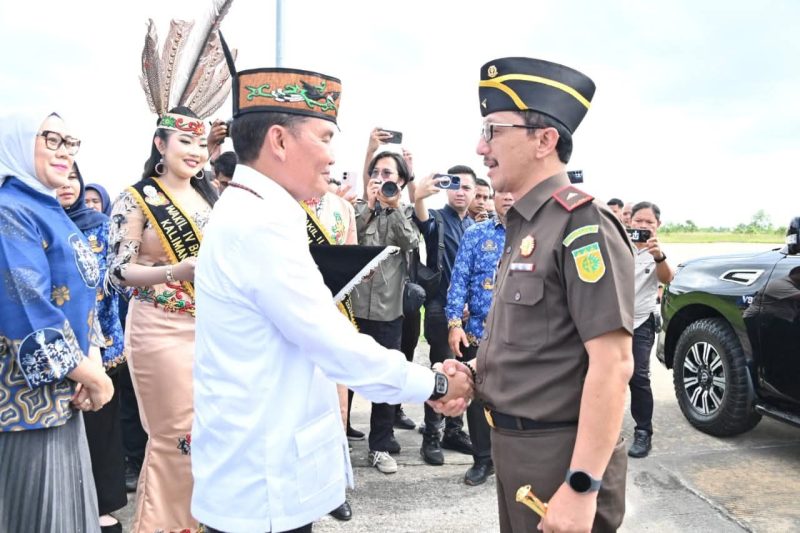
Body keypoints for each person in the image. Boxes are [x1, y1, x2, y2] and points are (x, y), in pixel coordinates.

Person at [191, 52, 473, 532]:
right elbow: (334, 344)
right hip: (262, 487)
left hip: (260, 468)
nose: (332, 156)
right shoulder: (258, 223)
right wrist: (437, 385)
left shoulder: (259, 210)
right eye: (323, 138)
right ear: (279, 140)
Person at [470, 57, 634, 532]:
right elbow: (534, 347)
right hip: (515, 449)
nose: (481, 147)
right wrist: (474, 374)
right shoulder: (524, 225)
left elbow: (614, 363)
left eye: (494, 130)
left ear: (544, 140)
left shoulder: (582, 224)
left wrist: (581, 487)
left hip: (559, 457)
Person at [0, 111, 114, 533]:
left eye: (71, 142)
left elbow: (82, 295)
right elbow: (26, 309)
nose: (64, 152)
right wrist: (95, 377)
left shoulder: (45, 207)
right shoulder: (11, 210)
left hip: (63, 394)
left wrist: (90, 364)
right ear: (18, 140)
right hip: (23, 405)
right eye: (51, 139)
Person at [108, 106, 217, 533]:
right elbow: (118, 272)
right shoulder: (136, 198)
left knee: (207, 432)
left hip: (210, 327)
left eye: (200, 143)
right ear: (160, 144)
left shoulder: (212, 198)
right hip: (159, 324)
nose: (195, 152)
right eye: (184, 141)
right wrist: (176, 271)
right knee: (175, 436)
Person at [57, 162, 127, 532]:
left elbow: (111, 280)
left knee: (101, 425)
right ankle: (68, 504)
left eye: (74, 177)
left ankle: (102, 506)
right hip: (56, 342)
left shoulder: (99, 225)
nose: (68, 185)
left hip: (102, 338)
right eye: (62, 177)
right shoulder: (40, 220)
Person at [352, 151, 420, 474]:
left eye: (389, 173)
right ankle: (340, 433)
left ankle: (379, 445)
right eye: (376, 172)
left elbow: (411, 242)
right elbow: (351, 240)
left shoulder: (404, 211)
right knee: (344, 374)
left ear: (401, 181)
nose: (382, 179)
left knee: (385, 377)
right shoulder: (356, 209)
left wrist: (392, 209)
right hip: (353, 306)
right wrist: (368, 207)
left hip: (388, 309)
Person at [447, 191, 515, 486]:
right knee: (477, 398)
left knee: (515, 400)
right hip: (478, 332)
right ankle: (483, 459)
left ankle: (513, 460)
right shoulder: (476, 234)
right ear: (493, 198)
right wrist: (453, 323)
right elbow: (459, 278)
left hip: (521, 336)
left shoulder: (537, 232)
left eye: (515, 191)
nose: (509, 197)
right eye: (502, 192)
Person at [413, 166, 478, 465]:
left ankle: (455, 430)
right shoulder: (438, 218)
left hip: (471, 313)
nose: (460, 191)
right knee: (442, 372)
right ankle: (432, 436)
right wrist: (419, 198)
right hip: (441, 308)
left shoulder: (477, 228)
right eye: (454, 185)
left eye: (466, 187)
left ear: (476, 192)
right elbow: (422, 219)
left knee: (467, 372)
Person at [627, 201, 674, 458]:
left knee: (639, 378)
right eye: (639, 221)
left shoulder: (658, 253)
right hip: (612, 322)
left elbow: (668, 278)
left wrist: (658, 255)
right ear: (629, 221)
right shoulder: (617, 245)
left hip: (641, 321)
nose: (643, 226)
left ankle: (643, 432)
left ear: (658, 226)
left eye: (649, 223)